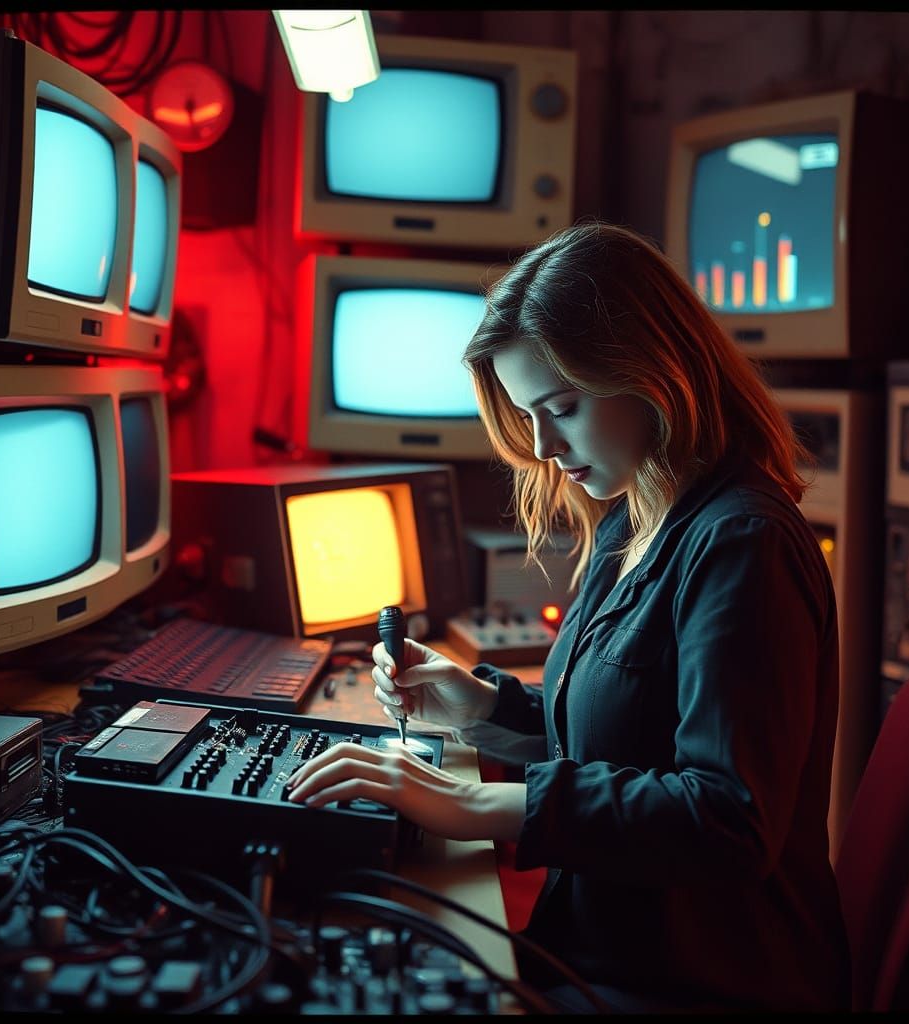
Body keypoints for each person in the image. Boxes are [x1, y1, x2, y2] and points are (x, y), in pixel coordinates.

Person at [285, 221, 852, 1012]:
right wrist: (480, 708)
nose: (545, 444)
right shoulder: (634, 513)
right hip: (608, 948)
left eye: (563, 406)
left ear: (654, 371)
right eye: (529, 414)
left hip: (706, 981)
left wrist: (473, 806)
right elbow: (628, 739)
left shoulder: (744, 541)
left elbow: (726, 820)